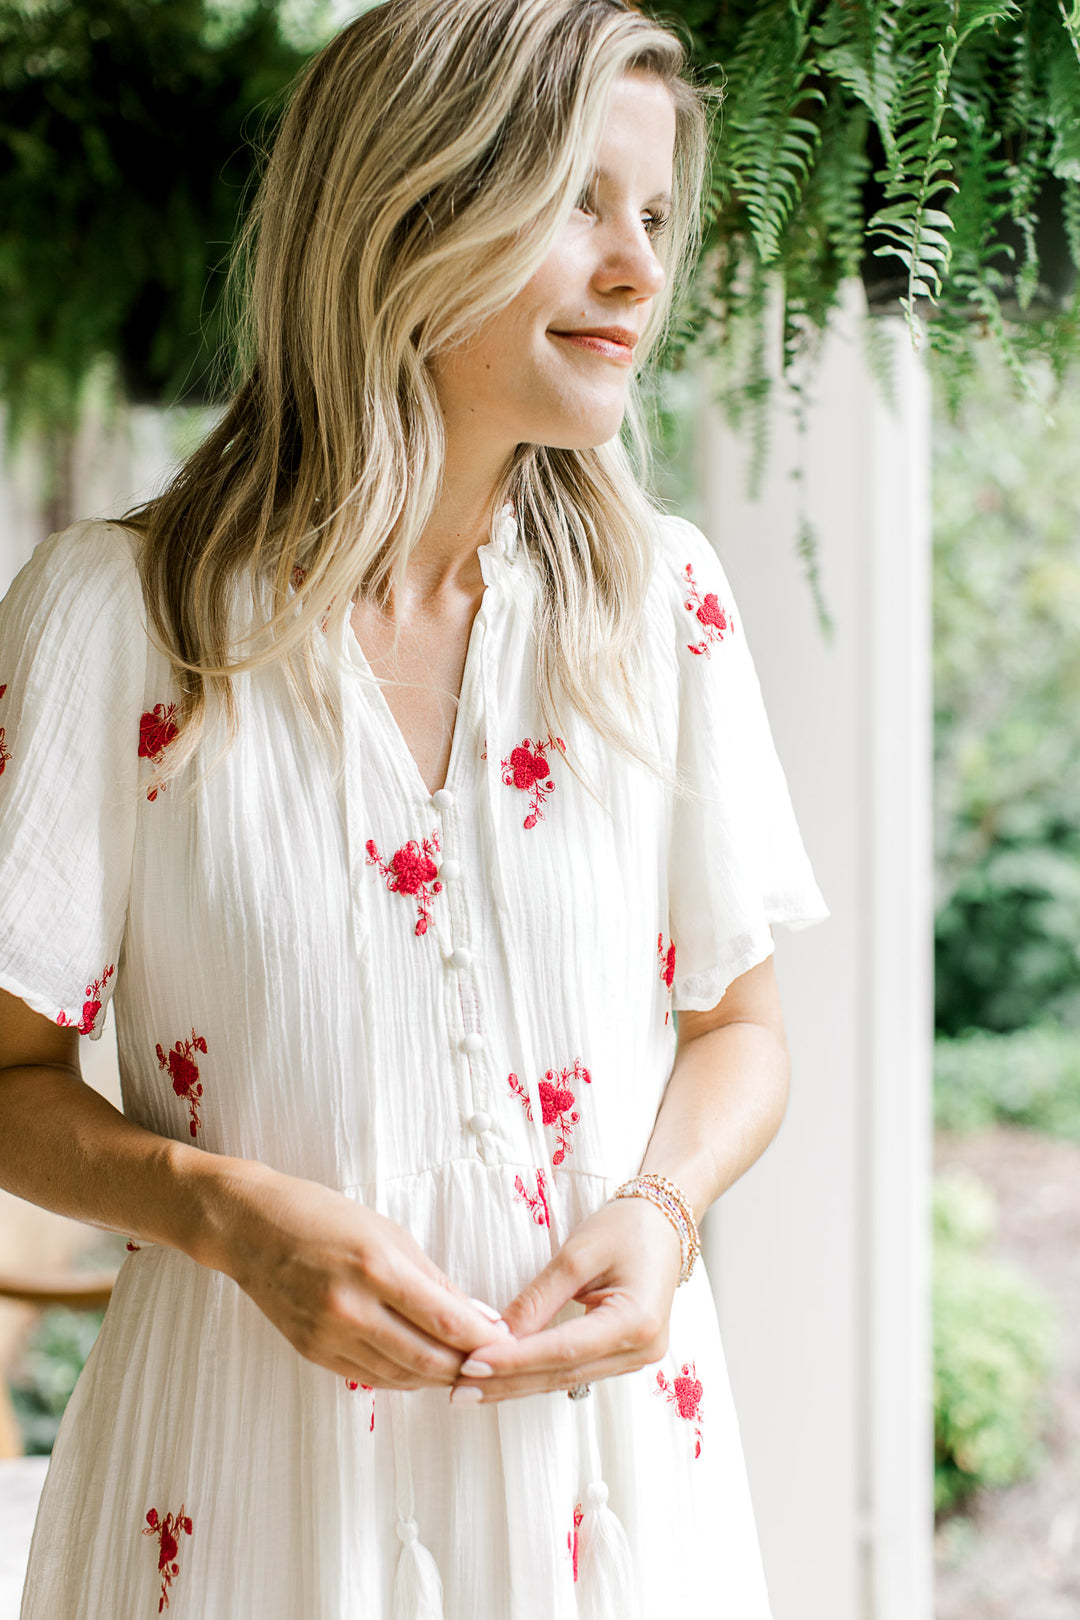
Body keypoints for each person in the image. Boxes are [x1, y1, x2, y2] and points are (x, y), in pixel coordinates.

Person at [0, 1, 829, 1615]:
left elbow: (742, 1027)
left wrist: (662, 1215)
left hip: (603, 1483)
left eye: (654, 214)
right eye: (578, 203)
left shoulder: (664, 605)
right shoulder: (116, 615)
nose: (640, 269)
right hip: (238, 1476)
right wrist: (226, 1216)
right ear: (408, 205)